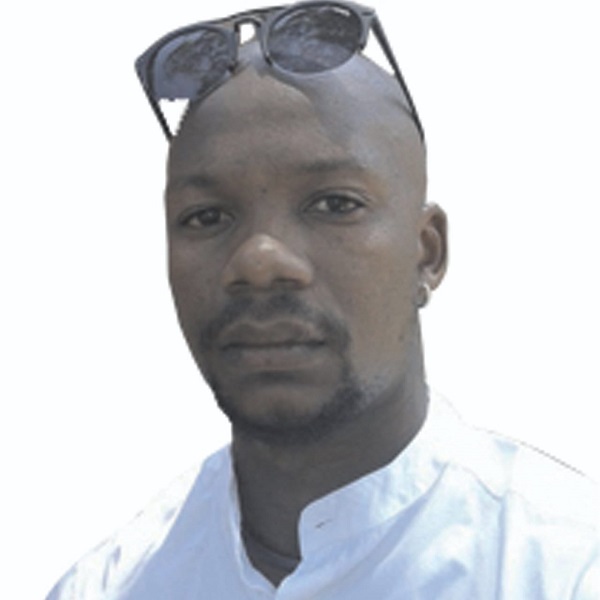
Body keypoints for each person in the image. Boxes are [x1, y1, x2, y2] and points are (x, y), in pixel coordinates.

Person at [46, 2, 598, 598]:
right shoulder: (110, 585)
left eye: (334, 204)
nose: (259, 260)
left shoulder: (563, 568)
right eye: (206, 217)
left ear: (427, 252)